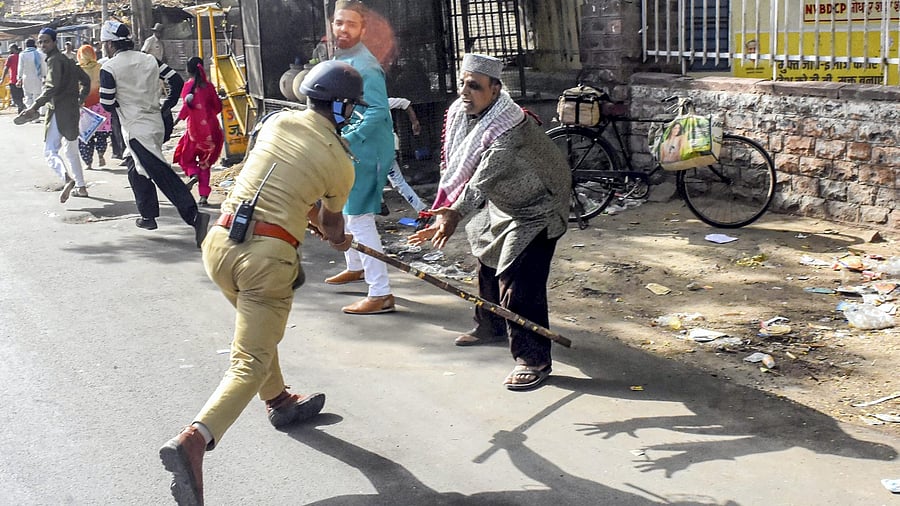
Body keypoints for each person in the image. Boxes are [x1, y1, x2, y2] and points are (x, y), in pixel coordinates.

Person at [159, 60, 363, 506]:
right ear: (344, 107)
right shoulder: (340, 162)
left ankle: (279, 401)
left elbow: (281, 185)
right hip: (265, 260)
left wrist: (308, 216)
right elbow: (331, 223)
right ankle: (195, 439)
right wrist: (339, 236)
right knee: (248, 360)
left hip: (220, 245)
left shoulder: (277, 123)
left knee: (257, 331)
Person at [408, 54, 571, 391]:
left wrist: (453, 213)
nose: (464, 92)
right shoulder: (463, 115)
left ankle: (533, 359)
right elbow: (457, 167)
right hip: (505, 203)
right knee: (486, 255)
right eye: (462, 84)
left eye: (474, 86)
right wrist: (448, 211)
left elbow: (481, 178)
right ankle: (491, 324)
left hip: (539, 206)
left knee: (518, 279)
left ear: (495, 90)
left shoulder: (509, 127)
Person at [98, 21, 209, 247]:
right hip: (155, 122)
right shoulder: (149, 59)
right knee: (134, 166)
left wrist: (124, 103)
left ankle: (194, 216)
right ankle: (147, 215)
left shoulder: (109, 68)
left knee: (161, 174)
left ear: (109, 44)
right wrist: (167, 105)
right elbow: (175, 81)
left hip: (136, 128)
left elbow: (107, 103)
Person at [325, 0, 396, 315]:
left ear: (363, 30)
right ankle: (355, 266)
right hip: (354, 147)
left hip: (369, 150)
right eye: (339, 22)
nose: (343, 29)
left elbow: (378, 111)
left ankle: (381, 293)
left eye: (351, 24)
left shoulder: (366, 66)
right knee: (343, 206)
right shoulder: (343, 58)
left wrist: (347, 138)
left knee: (360, 218)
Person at [16, 28, 91, 202]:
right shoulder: (68, 60)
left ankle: (67, 178)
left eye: (46, 41)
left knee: (50, 151)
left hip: (58, 110)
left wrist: (34, 107)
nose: (43, 45)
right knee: (71, 151)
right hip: (72, 110)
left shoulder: (54, 60)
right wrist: (80, 99)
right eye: (40, 42)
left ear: (55, 42)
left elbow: (51, 88)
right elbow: (86, 81)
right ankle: (81, 187)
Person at [173, 56, 224, 207]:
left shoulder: (187, 86)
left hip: (194, 132)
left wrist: (176, 120)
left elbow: (186, 108)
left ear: (188, 70)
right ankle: (203, 197)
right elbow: (218, 107)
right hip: (211, 132)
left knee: (185, 157)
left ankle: (193, 173)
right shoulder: (209, 86)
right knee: (205, 164)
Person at [380, 96, 427, 215]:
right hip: (388, 147)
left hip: (378, 150)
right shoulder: (383, 101)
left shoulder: (365, 106)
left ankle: (379, 203)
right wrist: (414, 122)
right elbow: (405, 103)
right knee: (398, 182)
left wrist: (415, 122)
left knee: (367, 178)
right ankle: (422, 209)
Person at [76, 44, 111, 170]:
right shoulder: (100, 67)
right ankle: (101, 154)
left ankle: (88, 162)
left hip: (83, 107)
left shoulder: (77, 70)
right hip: (100, 105)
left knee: (85, 136)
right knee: (102, 133)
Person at [17, 38, 45, 111]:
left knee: (28, 96)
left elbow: (20, 67)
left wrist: (19, 78)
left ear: (26, 45)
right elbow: (43, 66)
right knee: (37, 95)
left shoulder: (22, 54)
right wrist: (44, 76)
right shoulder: (39, 54)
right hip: (38, 78)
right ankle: (36, 112)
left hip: (26, 78)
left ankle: (30, 112)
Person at [2, 44, 26, 113]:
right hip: (23, 79)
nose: (9, 51)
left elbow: (6, 68)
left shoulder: (11, 57)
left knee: (15, 97)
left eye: (10, 49)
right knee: (21, 96)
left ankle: (21, 106)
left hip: (14, 80)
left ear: (13, 49)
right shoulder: (22, 56)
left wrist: (2, 78)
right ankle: (21, 109)